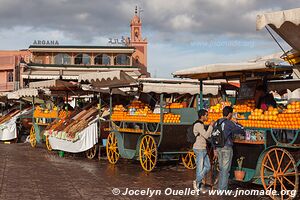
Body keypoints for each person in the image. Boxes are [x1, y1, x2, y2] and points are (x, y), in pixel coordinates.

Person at [214, 106, 245, 191]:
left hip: (218, 148)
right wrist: (237, 123)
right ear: (230, 114)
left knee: (221, 169)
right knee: (225, 170)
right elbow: (241, 130)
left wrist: (214, 149)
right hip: (226, 147)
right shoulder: (229, 123)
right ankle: (222, 190)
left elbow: (213, 136)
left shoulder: (216, 122)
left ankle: (220, 188)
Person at [193, 109, 214, 193]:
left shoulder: (201, 124)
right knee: (200, 168)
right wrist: (211, 126)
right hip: (199, 148)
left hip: (203, 148)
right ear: (202, 116)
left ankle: (198, 182)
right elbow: (206, 135)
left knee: (208, 166)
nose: (207, 117)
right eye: (206, 115)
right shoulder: (198, 125)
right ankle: (197, 183)